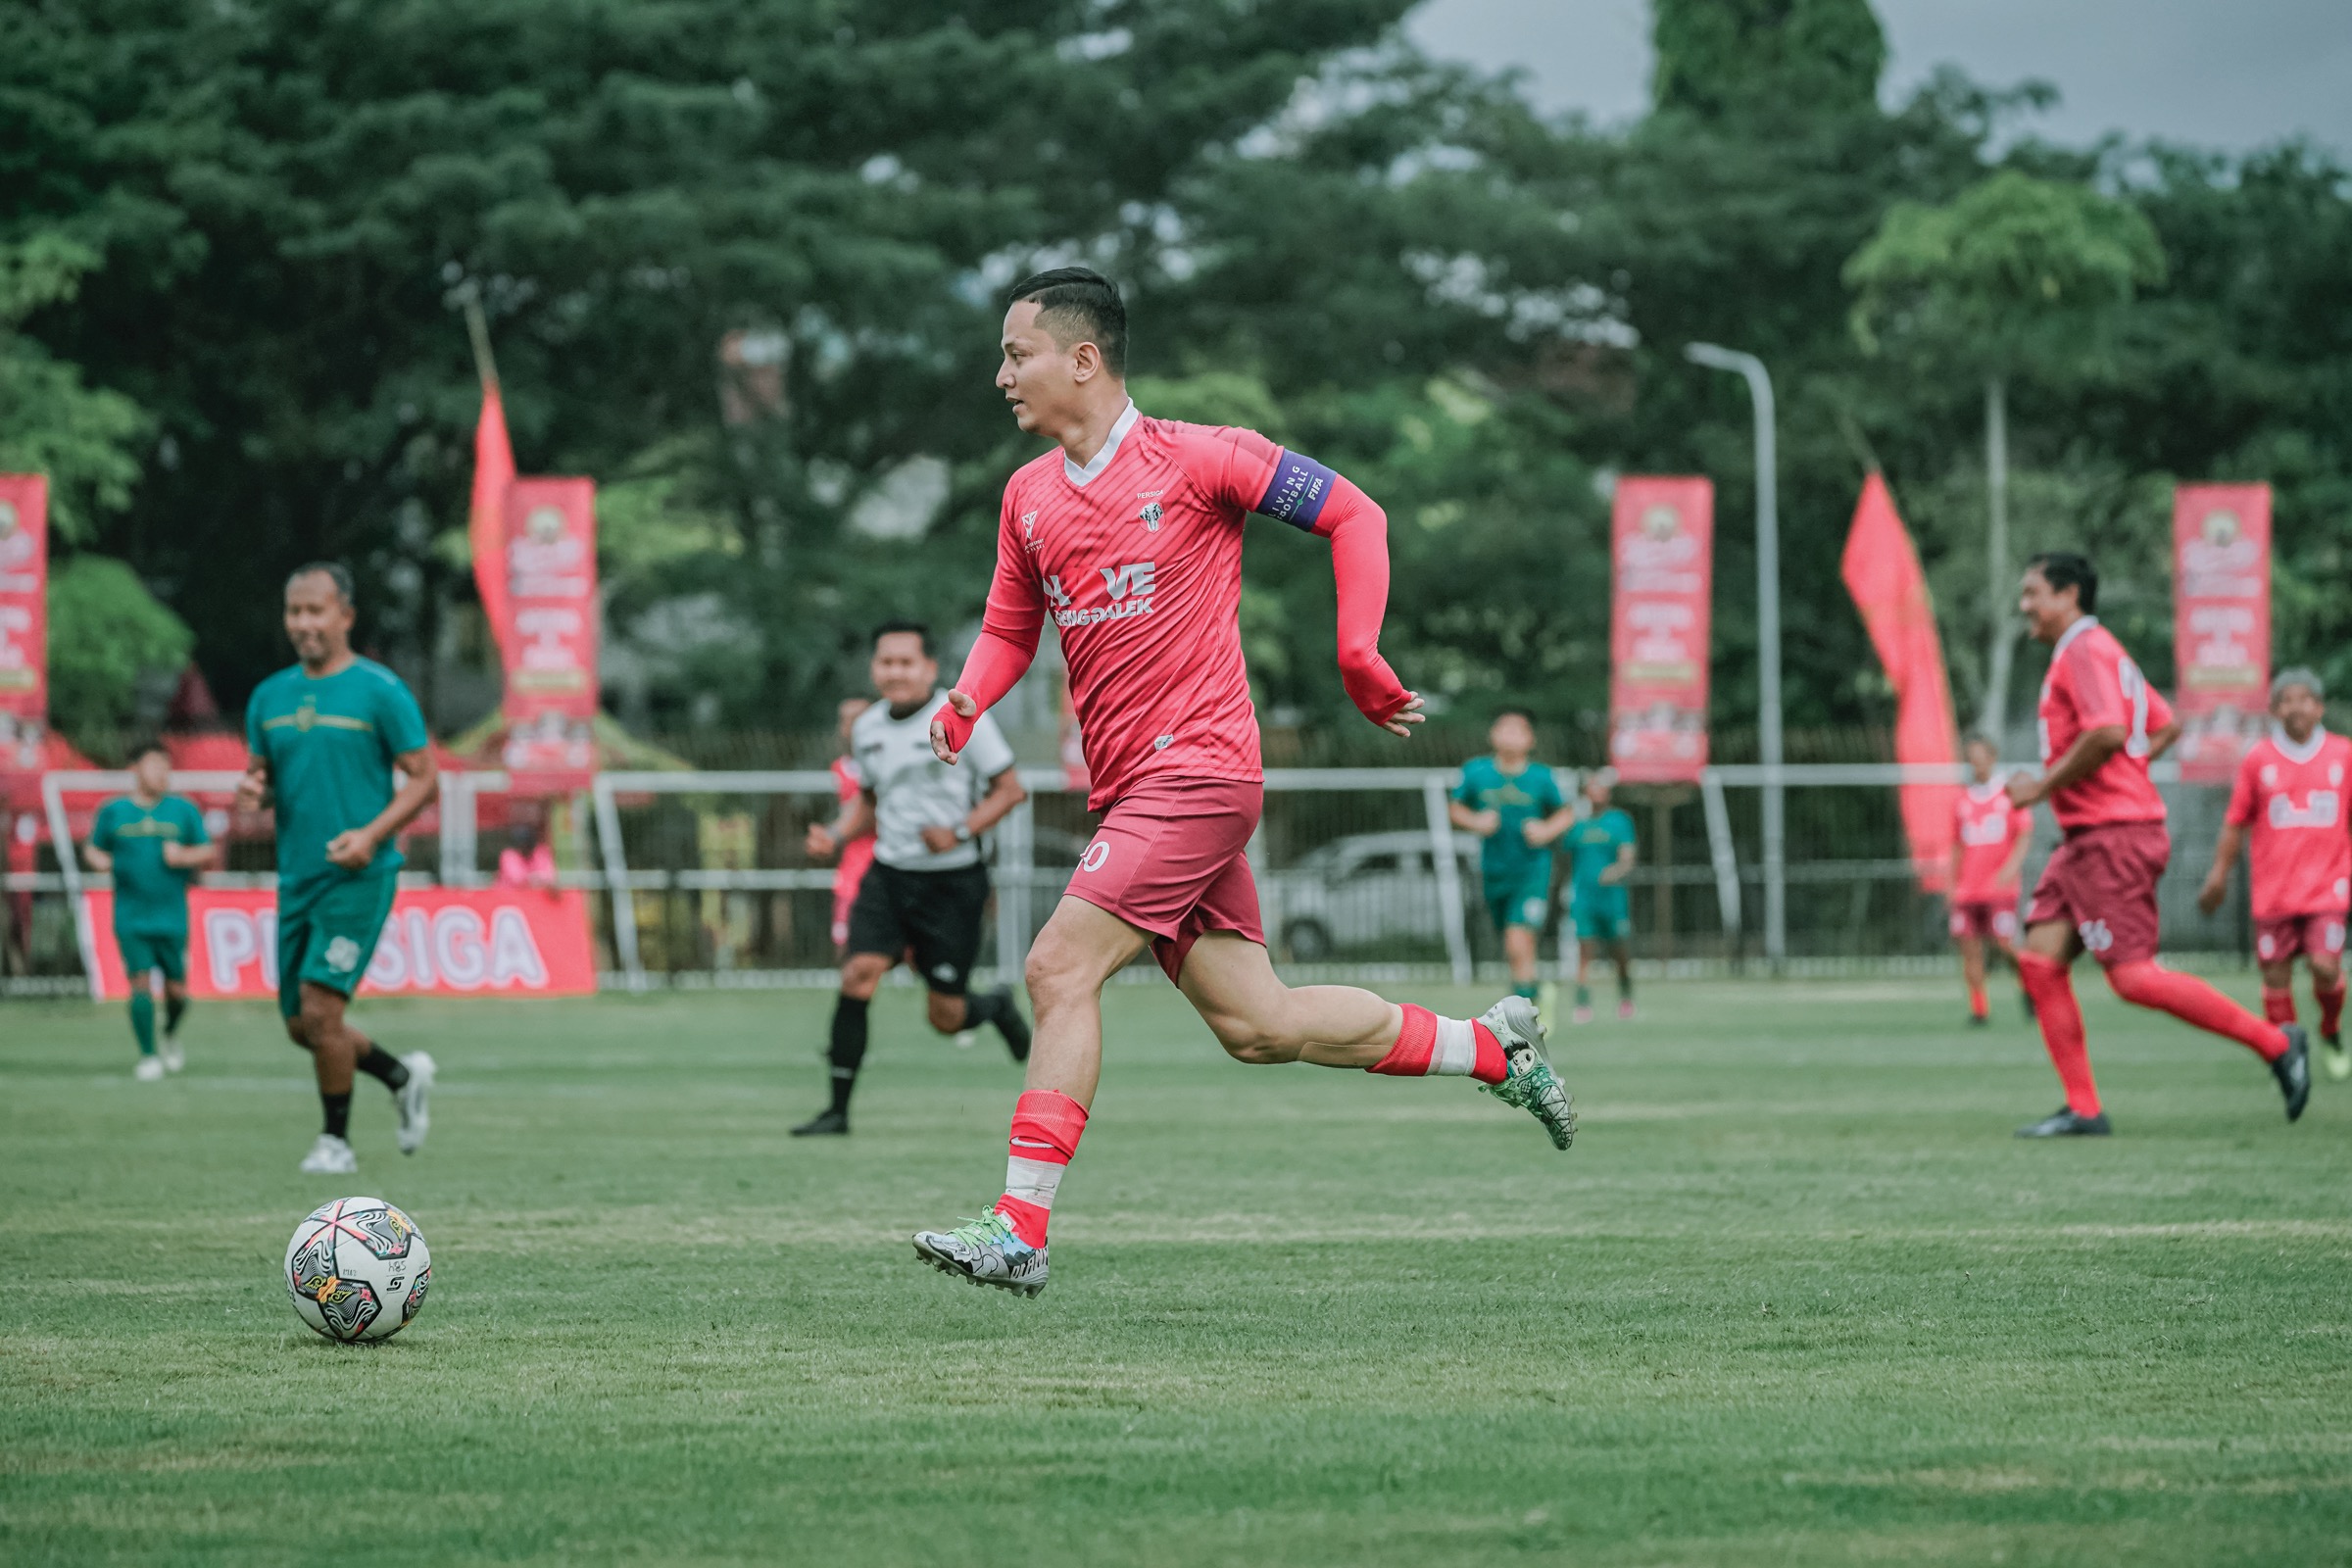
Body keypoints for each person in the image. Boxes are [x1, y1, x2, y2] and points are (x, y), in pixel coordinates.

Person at [910, 267, 1575, 1296]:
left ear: (1082, 360)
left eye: (1016, 353)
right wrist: (964, 700)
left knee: (1056, 969)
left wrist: (1360, 657)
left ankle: (1020, 1227)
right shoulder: (1029, 497)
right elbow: (1010, 627)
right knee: (1258, 1025)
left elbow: (1357, 515)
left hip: (1202, 773)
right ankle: (1491, 1048)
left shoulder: (1201, 458)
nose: (1003, 374)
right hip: (1135, 794)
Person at [2004, 552, 2307, 1138]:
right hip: (2088, 839)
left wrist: (2044, 786)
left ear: (2069, 596)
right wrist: (2125, 778)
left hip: (2111, 837)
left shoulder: (2084, 650)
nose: (2026, 607)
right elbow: (2163, 722)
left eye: (2032, 593)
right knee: (2040, 964)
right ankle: (2085, 1110)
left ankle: (2276, 1044)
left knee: (2133, 978)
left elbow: (2109, 732)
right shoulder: (2102, 650)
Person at [237, 564, 439, 1174]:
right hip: (297, 876)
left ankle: (336, 1144)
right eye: (294, 612)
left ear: (345, 615)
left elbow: (425, 777)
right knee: (302, 1025)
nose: (304, 623)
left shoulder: (380, 691)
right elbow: (267, 777)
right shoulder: (268, 698)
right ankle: (402, 1077)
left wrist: (371, 836)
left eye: (316, 611)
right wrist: (256, 791)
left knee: (322, 1011)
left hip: (360, 874)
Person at [795, 622, 1033, 1137]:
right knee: (859, 973)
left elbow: (1011, 791)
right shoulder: (868, 728)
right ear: (874, 669)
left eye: (907, 662)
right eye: (886, 662)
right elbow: (871, 801)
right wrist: (836, 835)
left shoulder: (963, 720)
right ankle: (836, 1112)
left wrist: (960, 831)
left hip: (951, 883)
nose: (895, 672)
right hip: (889, 876)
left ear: (929, 669)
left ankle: (993, 1005)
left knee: (945, 1018)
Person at [2199, 667, 2351, 1080]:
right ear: (2274, 709)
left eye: (2304, 699)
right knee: (2276, 975)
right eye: (2286, 699)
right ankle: (2289, 1055)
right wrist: (2218, 874)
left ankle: (2331, 1028)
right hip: (2274, 890)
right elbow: (2236, 822)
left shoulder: (2344, 755)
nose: (2295, 707)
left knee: (2324, 967)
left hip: (2328, 887)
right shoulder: (2258, 759)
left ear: (2319, 708)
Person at [83, 741, 212, 1078]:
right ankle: (148, 1055)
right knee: (139, 982)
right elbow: (93, 850)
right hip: (130, 913)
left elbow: (206, 849)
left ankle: (169, 1032)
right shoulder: (114, 812)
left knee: (177, 991)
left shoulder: (183, 810)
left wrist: (184, 856)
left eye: (166, 766)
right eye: (155, 765)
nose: (162, 773)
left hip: (171, 913)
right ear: (134, 770)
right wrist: (103, 862)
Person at [1448, 710, 1571, 1006]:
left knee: (1518, 936)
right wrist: (1476, 821)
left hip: (1532, 870)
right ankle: (1533, 995)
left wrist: (1545, 829)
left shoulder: (1541, 777)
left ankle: (1524, 1003)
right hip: (1494, 870)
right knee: (1514, 941)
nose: (1510, 735)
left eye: (1518, 730)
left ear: (1530, 740)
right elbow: (1455, 809)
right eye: (1504, 729)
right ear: (1493, 736)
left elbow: (1565, 813)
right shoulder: (1477, 772)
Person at [1948, 734, 2034, 1026]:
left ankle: (2029, 989)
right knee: (1969, 949)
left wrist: (2010, 870)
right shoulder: (1962, 800)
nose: (1975, 762)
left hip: (1999, 887)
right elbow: (1957, 845)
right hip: (1967, 889)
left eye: (1979, 755)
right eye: (1970, 756)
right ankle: (1979, 1008)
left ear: (1992, 757)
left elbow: (2023, 834)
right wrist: (1952, 883)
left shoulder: (2008, 795)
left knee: (2005, 944)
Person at [1562, 768, 1638, 1023]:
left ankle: (1626, 998)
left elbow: (1628, 858)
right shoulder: (1577, 825)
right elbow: (1564, 859)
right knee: (1585, 952)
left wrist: (1614, 872)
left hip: (1613, 900)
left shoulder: (1619, 821)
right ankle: (1583, 1005)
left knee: (1620, 953)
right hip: (1584, 900)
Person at [825, 696, 876, 951]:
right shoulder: (839, 769)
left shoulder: (889, 764)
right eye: (848, 721)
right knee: (845, 942)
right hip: (854, 868)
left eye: (861, 720)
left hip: (892, 862)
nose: (854, 728)